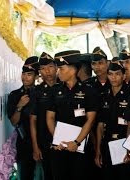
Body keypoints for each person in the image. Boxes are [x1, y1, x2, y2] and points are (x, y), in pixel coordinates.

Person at [46, 50, 99, 180]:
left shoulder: (88, 91)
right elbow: (50, 118)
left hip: (80, 147)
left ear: (73, 70)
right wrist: (58, 140)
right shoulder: (55, 90)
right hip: (59, 147)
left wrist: (76, 142)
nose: (58, 72)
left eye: (61, 69)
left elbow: (90, 120)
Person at [95, 58, 130, 179]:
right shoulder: (103, 96)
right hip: (107, 144)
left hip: (123, 143)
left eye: (117, 74)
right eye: (110, 74)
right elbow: (100, 126)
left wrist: (129, 147)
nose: (113, 77)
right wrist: (98, 150)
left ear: (124, 75)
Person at [7, 56, 39, 180]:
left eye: (29, 74)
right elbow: (14, 122)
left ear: (36, 76)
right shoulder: (14, 95)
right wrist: (19, 106)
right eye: (23, 74)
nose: (25, 77)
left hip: (42, 140)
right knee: (26, 175)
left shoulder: (42, 93)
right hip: (24, 143)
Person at [30, 52, 57, 180]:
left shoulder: (65, 87)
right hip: (45, 140)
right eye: (43, 68)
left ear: (56, 67)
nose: (47, 71)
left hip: (66, 139)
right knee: (49, 174)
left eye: (50, 67)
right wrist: (35, 146)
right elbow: (33, 120)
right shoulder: (36, 91)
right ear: (39, 71)